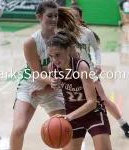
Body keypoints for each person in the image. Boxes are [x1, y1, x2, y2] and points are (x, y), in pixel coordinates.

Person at [9, 1, 81, 150]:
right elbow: (37, 75)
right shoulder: (30, 42)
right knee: (18, 129)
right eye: (50, 16)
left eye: (56, 16)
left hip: (54, 91)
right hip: (31, 87)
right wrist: (54, 80)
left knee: (65, 130)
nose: (54, 19)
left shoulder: (64, 39)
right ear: (39, 17)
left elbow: (77, 64)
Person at [31, 30, 112, 150]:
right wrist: (40, 91)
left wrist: (69, 117)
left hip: (93, 113)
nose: (54, 60)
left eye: (57, 54)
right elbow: (54, 88)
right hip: (72, 114)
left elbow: (92, 102)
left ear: (68, 50)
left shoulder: (81, 67)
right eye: (51, 56)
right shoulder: (52, 67)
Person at [69, 5, 129, 138]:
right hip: (71, 73)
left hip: (88, 72)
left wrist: (98, 64)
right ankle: (72, 126)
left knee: (102, 99)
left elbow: (96, 49)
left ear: (80, 18)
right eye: (71, 16)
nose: (73, 19)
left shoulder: (87, 33)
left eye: (76, 16)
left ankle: (123, 124)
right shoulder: (63, 33)